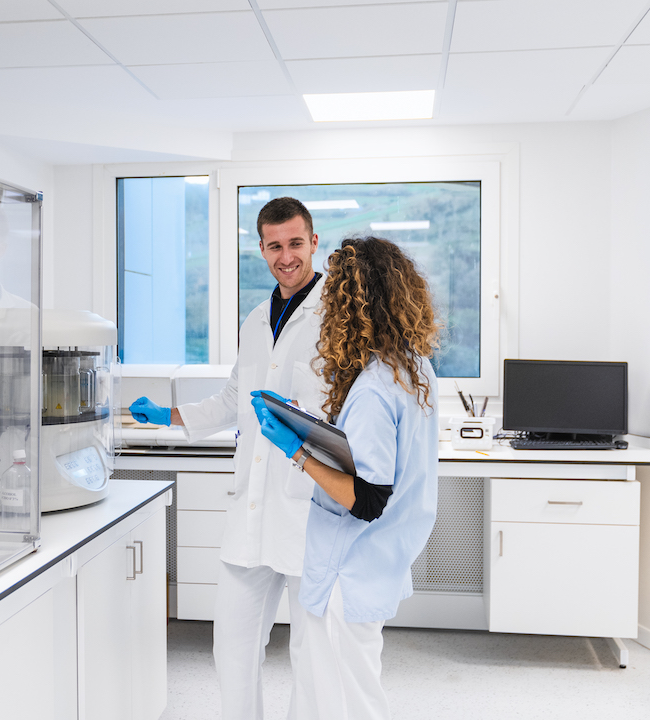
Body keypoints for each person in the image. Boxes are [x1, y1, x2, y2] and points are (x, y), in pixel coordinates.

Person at [129, 197, 325, 719]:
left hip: (311, 509)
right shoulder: (258, 319)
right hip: (254, 510)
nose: (287, 256)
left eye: (296, 243)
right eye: (275, 245)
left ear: (313, 242)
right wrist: (168, 416)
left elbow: (342, 409)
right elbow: (234, 401)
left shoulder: (337, 315)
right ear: (261, 249)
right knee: (232, 647)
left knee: (313, 655)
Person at [250, 236, 441, 720]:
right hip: (376, 562)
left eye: (334, 294)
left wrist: (297, 451)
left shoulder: (376, 388)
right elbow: (376, 459)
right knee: (332, 694)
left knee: (348, 702)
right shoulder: (413, 368)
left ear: (354, 304)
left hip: (346, 572)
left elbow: (369, 498)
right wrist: (315, 429)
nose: (328, 304)